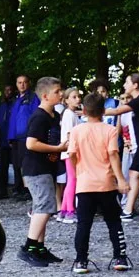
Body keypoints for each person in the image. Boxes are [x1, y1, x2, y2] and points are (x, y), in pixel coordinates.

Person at [66, 93, 130, 273]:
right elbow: (113, 155)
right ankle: (120, 257)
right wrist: (121, 179)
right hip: (106, 183)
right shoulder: (110, 130)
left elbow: (71, 155)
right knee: (114, 221)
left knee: (84, 224)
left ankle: (81, 260)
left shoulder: (77, 130)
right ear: (103, 111)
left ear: (84, 111)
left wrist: (78, 171)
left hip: (85, 184)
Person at [19, 77, 65, 266]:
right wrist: (57, 149)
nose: (61, 94)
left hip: (48, 167)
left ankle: (39, 248)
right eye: (57, 92)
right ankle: (28, 248)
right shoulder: (39, 117)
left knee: (42, 206)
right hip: (36, 169)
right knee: (45, 206)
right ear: (45, 96)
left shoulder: (54, 115)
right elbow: (31, 143)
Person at [119, 73, 139, 218]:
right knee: (136, 174)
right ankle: (128, 209)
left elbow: (116, 111)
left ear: (135, 85)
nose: (124, 85)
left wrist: (91, 110)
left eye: (127, 82)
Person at [4, 75, 37, 199]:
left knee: (25, 163)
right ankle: (20, 189)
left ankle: (28, 190)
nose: (22, 85)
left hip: (26, 137)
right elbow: (13, 120)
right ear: (16, 84)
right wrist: (10, 137)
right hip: (15, 138)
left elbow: (35, 116)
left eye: (24, 82)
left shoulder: (33, 98)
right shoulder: (15, 100)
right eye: (19, 82)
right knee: (17, 164)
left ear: (29, 83)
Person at [56, 86, 83, 223]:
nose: (78, 99)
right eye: (74, 97)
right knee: (72, 180)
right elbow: (69, 135)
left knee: (71, 180)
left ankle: (64, 210)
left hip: (70, 152)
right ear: (66, 100)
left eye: (78, 96)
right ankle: (70, 211)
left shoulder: (73, 114)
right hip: (70, 152)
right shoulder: (68, 114)